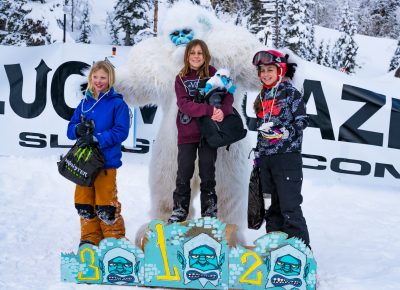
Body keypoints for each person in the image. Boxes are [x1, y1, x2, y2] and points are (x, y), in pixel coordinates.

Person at [168, 39, 234, 223]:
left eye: (200, 53)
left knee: (207, 173)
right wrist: (209, 110)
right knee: (184, 173)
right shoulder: (181, 78)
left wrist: (223, 111)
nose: (196, 56)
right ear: (187, 56)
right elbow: (184, 104)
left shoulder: (214, 74)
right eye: (192, 53)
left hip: (209, 134)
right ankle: (180, 211)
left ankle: (209, 213)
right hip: (187, 133)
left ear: (205, 56)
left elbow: (228, 96)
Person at [67, 60, 130, 247]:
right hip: (84, 163)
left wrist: (98, 138)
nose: (99, 81)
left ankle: (114, 240)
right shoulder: (84, 102)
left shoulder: (117, 103)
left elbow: (121, 131)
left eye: (103, 77)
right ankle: (90, 238)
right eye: (95, 77)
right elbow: (70, 129)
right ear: (90, 78)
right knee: (84, 204)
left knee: (106, 205)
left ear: (110, 78)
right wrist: (78, 129)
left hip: (106, 163)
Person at [252, 49, 310, 246]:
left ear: (280, 70)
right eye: (262, 71)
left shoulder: (290, 92)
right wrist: (258, 156)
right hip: (266, 162)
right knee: (270, 209)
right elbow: (262, 131)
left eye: (270, 69)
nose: (265, 74)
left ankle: (302, 257)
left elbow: (302, 121)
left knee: (290, 208)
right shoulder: (262, 97)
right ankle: (274, 252)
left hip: (287, 160)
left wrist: (284, 132)